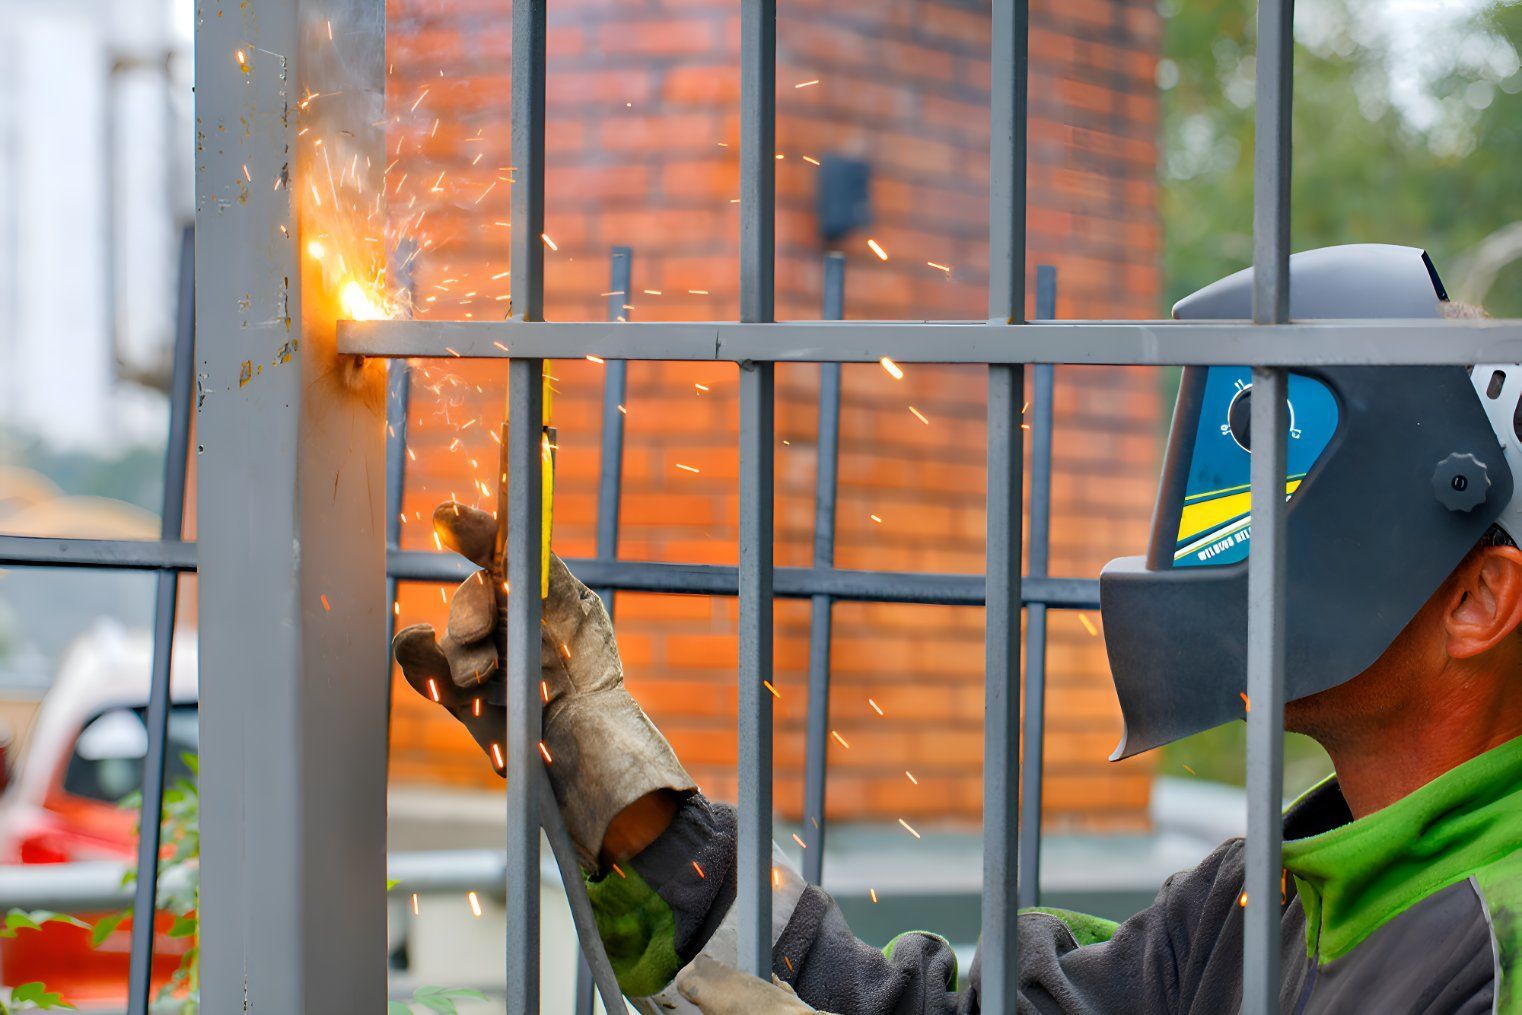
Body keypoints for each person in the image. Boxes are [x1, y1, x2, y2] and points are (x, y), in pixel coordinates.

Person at [394, 244, 1522, 1013]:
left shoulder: (1495, 941)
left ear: (1478, 600)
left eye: (1290, 478)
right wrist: (604, 759)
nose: (1226, 538)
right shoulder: (1253, 904)